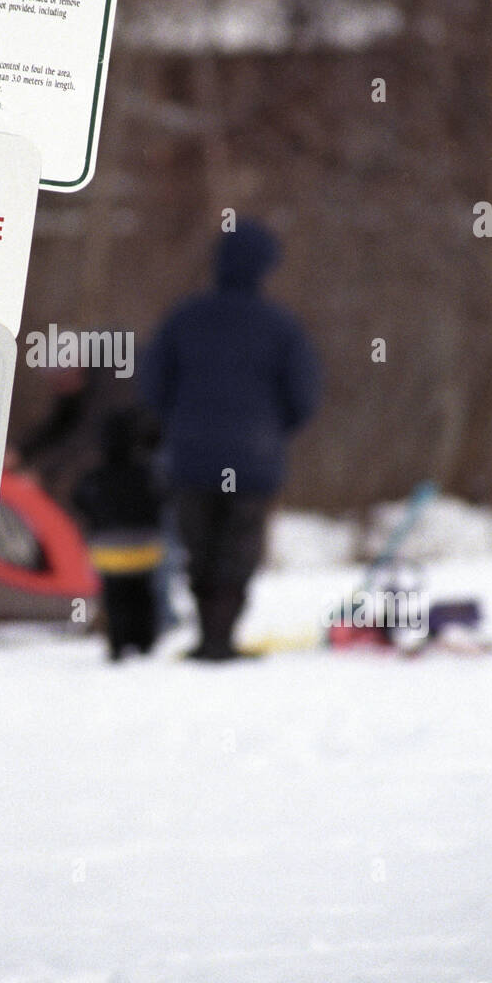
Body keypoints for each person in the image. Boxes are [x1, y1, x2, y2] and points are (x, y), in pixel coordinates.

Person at [139, 219, 321, 661]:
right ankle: (221, 637)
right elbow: (303, 396)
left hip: (192, 457)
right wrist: (273, 432)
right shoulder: (282, 326)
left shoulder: (184, 317)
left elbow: (152, 385)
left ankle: (209, 636)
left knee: (198, 546)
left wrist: (179, 425)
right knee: (238, 548)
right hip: (253, 460)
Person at [72, 409, 163, 661]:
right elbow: (161, 499)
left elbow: (79, 500)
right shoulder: (146, 473)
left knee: (115, 597)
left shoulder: (95, 477)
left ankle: (118, 641)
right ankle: (145, 641)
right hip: (144, 549)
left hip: (108, 551)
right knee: (142, 594)